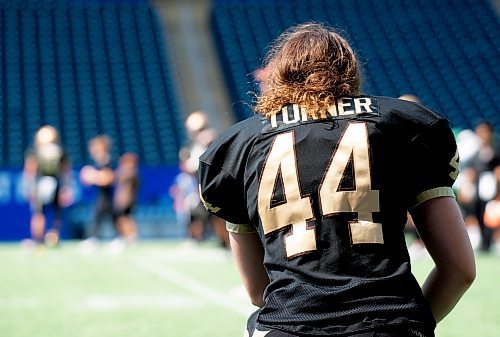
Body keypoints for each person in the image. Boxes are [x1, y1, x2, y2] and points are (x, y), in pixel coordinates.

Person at [198, 23, 475, 337]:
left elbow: (257, 292)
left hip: (290, 327)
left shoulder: (238, 148)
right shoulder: (405, 127)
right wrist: (410, 324)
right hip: (389, 324)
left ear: (281, 76)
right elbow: (460, 270)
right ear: (350, 72)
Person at [22, 125, 73, 247]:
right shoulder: (60, 150)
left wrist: (29, 188)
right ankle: (53, 237)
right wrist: (67, 187)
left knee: (39, 213)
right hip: (56, 183)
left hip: (40, 183)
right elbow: (66, 171)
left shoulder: (34, 150)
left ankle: (38, 240)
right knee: (56, 213)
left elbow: (30, 171)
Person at [79, 135, 115, 251]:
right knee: (103, 217)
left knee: (100, 216)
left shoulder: (104, 159)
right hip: (102, 195)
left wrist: (92, 176)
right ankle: (97, 238)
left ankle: (95, 239)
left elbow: (108, 178)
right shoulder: (100, 160)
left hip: (106, 195)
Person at [113, 152, 139, 245]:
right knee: (122, 219)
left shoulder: (131, 173)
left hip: (127, 201)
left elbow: (116, 176)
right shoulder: (129, 173)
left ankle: (131, 236)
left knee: (126, 218)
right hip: (122, 201)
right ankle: (127, 236)